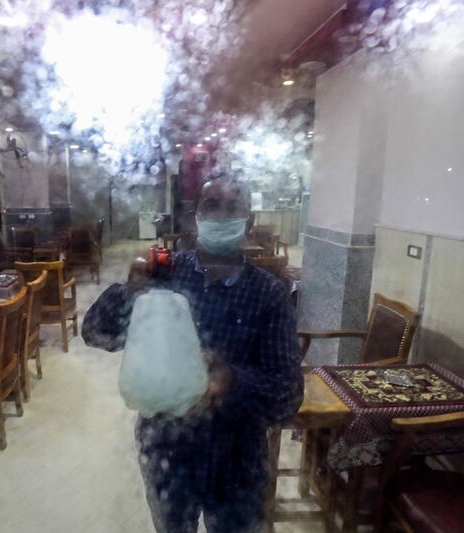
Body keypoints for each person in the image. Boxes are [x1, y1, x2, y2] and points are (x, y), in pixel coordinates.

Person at [82, 173, 303, 533]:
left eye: (232, 207)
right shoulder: (166, 275)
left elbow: (288, 396)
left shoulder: (269, 294)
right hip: (166, 449)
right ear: (195, 215)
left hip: (237, 457)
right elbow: (96, 334)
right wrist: (129, 292)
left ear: (247, 219)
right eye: (210, 205)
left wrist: (231, 379)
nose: (219, 215)